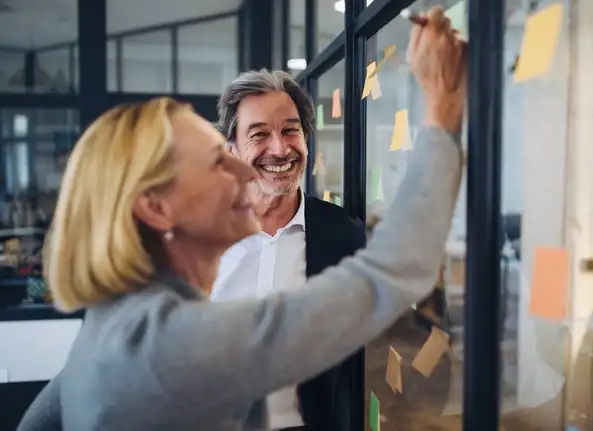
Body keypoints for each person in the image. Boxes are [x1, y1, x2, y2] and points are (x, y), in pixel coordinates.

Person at [18, 7, 467, 431]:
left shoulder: (115, 320)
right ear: (157, 208)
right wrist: (441, 109)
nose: (244, 170)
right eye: (217, 161)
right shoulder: (175, 343)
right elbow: (389, 274)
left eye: (290, 130)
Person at [214, 69, 366, 431]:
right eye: (259, 134)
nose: (280, 149)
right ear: (231, 149)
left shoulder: (342, 237)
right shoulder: (199, 235)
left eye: (290, 130)